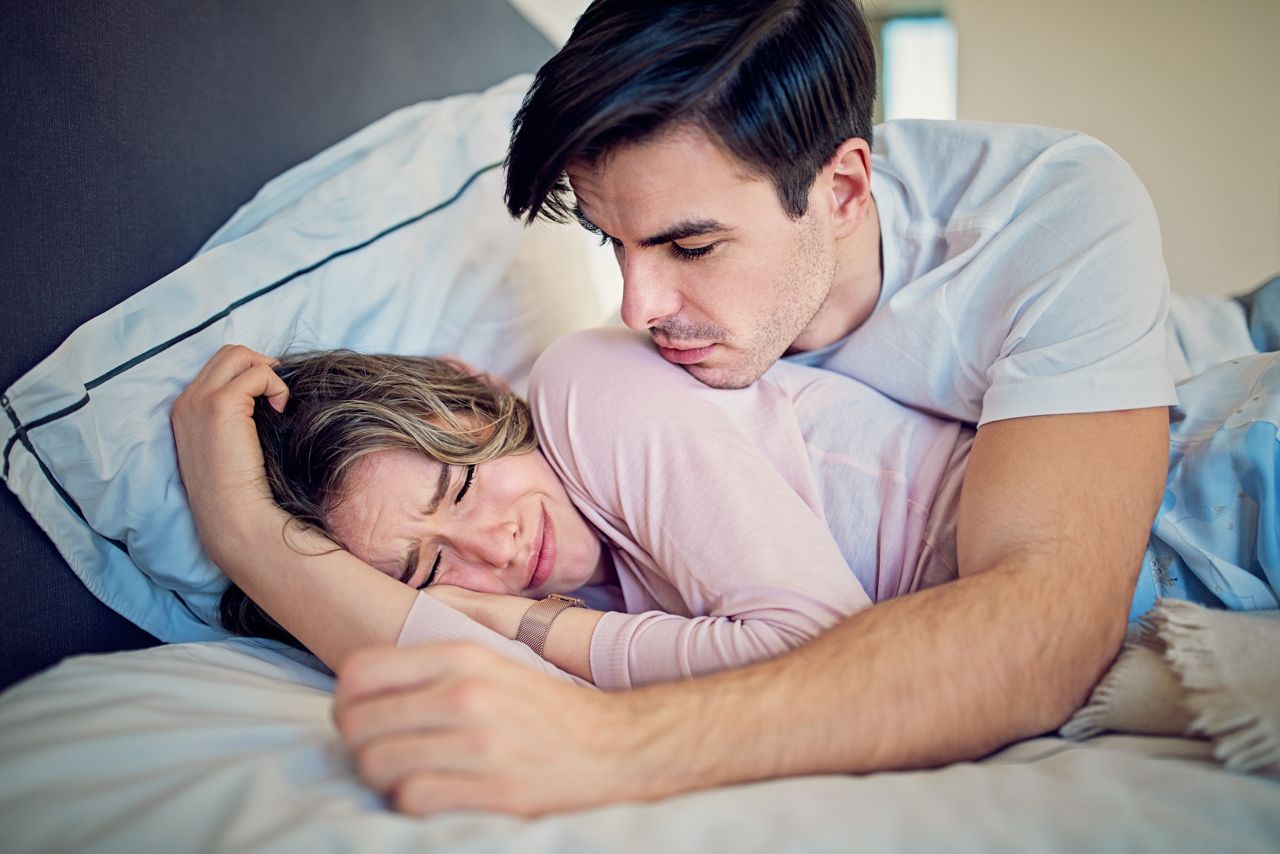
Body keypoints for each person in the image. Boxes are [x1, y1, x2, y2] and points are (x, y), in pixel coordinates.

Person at [175, 0, 1274, 816]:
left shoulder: (1041, 214)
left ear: (842, 193)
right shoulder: (586, 492)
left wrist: (580, 698)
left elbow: (1032, 633)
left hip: (1212, 426)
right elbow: (437, 646)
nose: (637, 306)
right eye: (610, 244)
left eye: (688, 245)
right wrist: (249, 535)